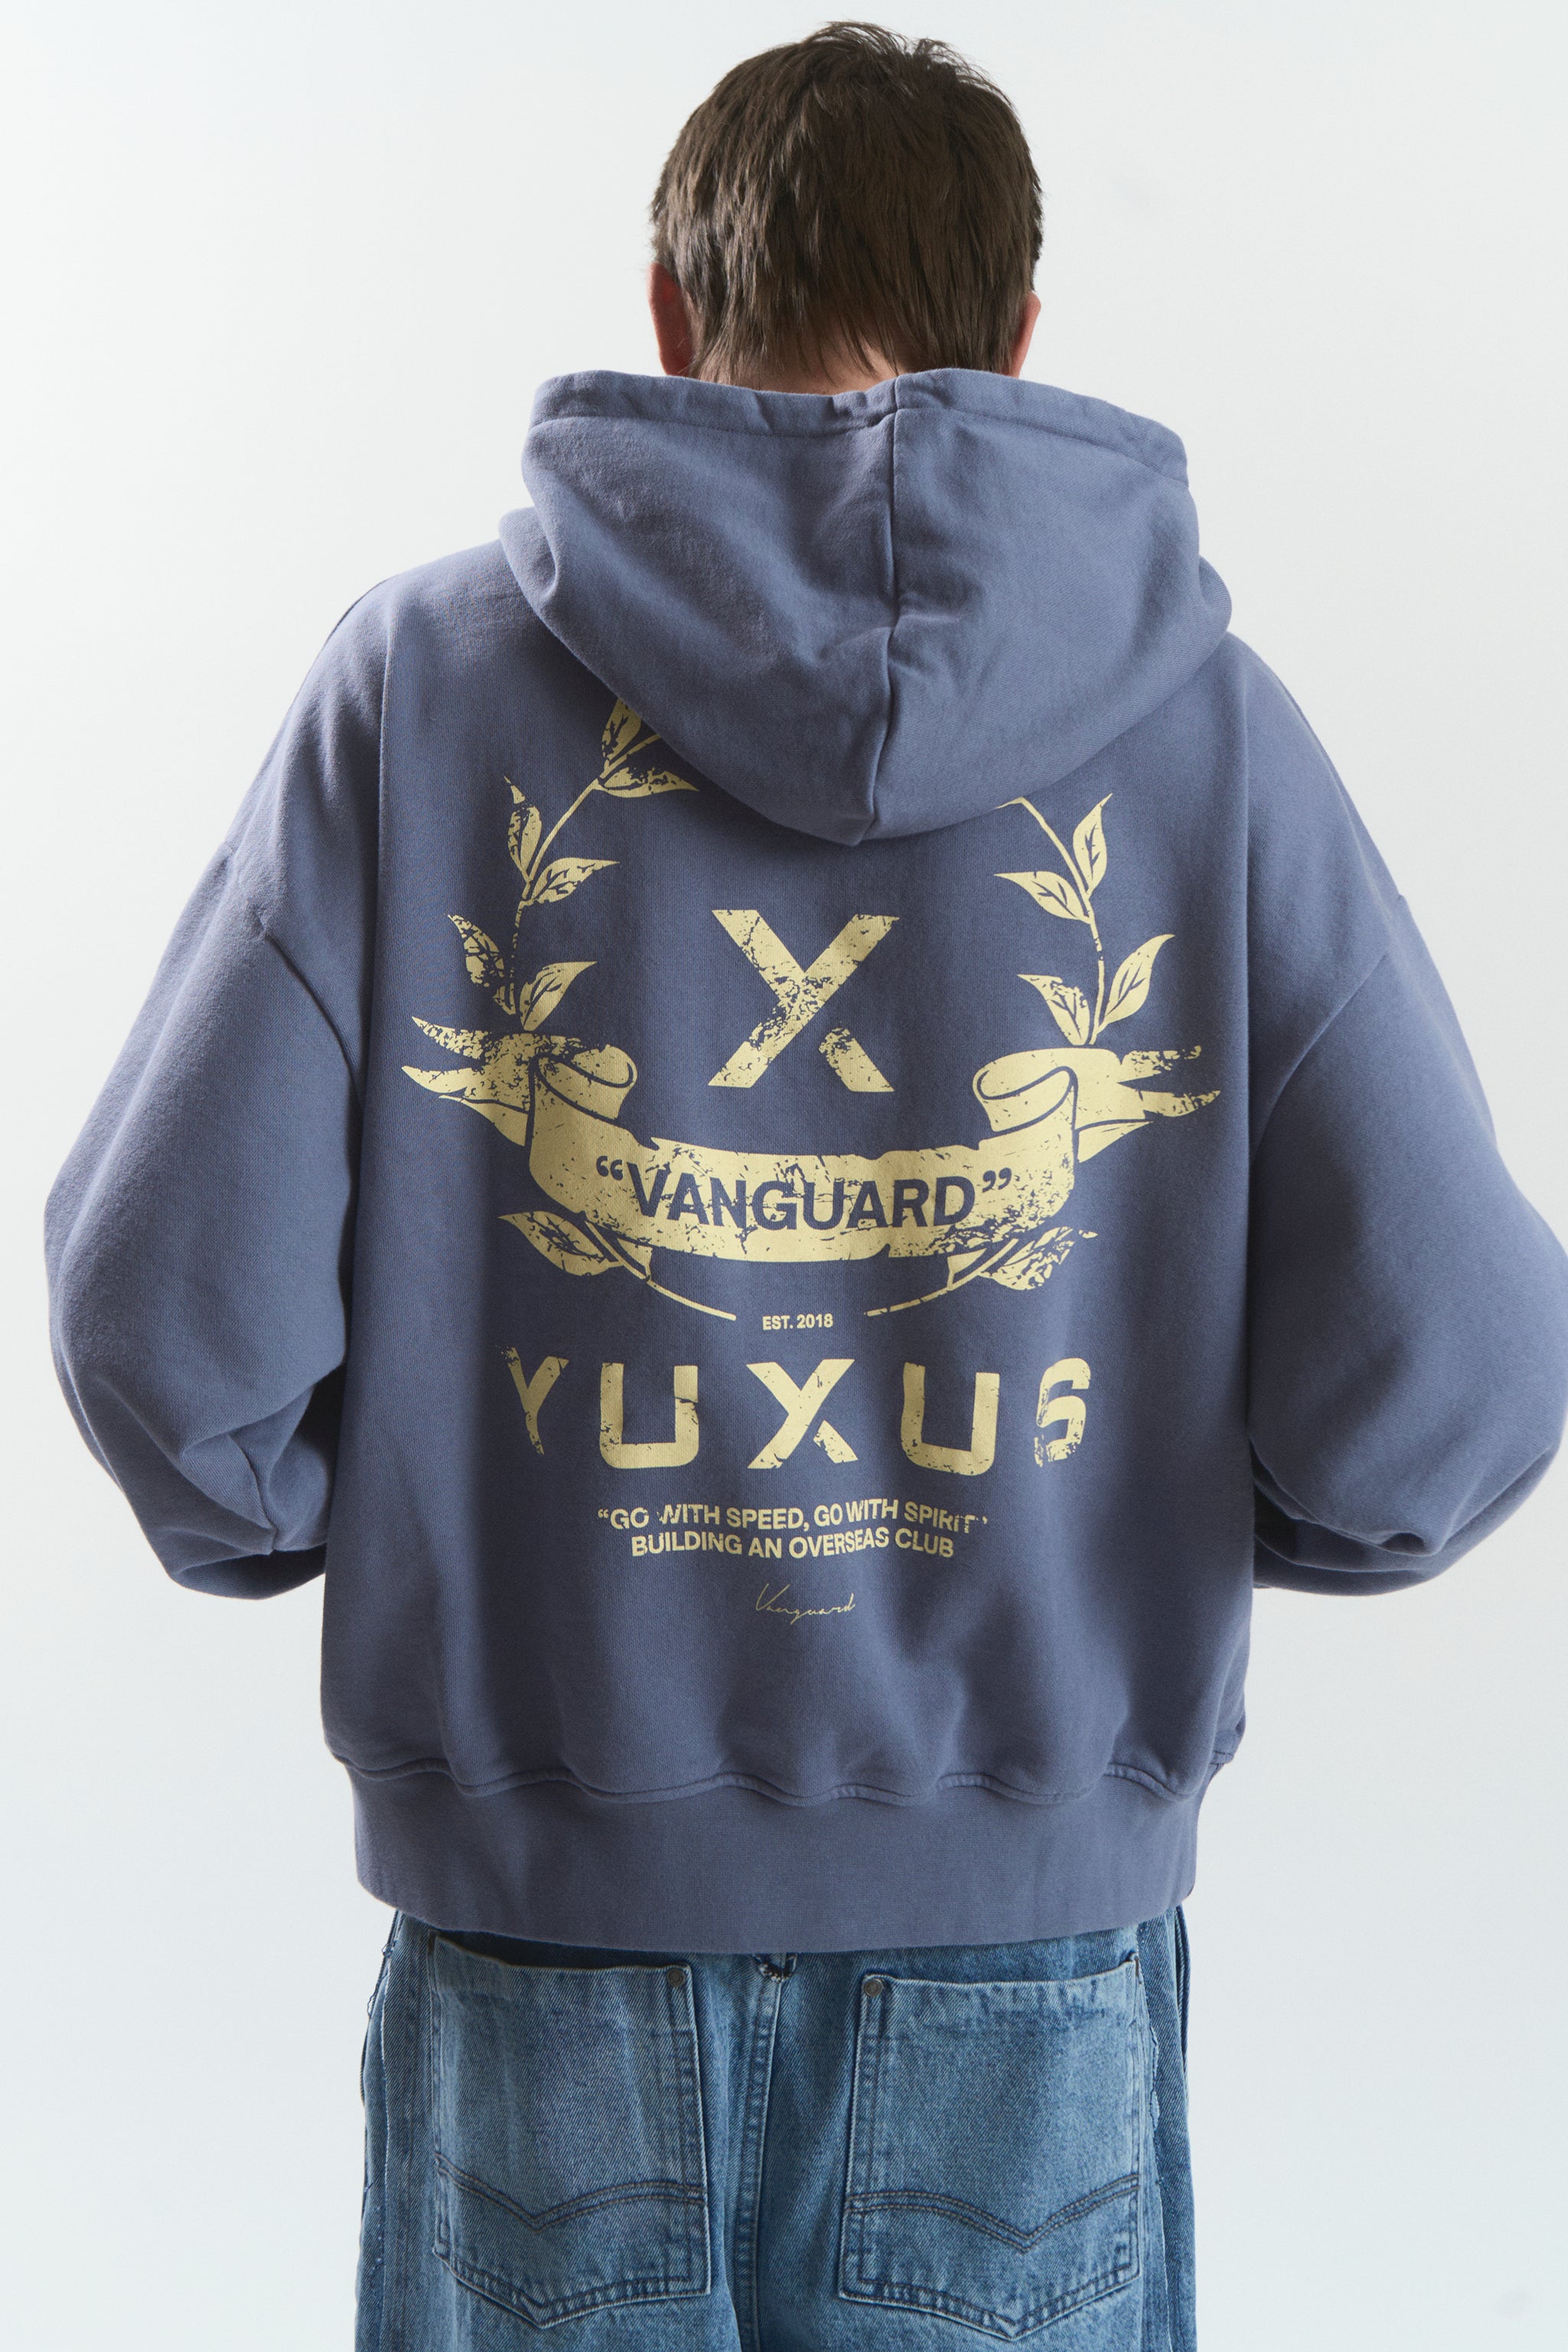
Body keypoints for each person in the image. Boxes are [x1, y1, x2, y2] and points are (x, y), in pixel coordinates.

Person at [44, 22, 1568, 2350]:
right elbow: (1449, 1388)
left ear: (671, 312)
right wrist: (1124, 1499)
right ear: (1021, 339)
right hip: (1024, 1972)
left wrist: (363, 1491)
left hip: (546, 1940)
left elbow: (170, 1331)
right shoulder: (1208, 738)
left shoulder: (418, 696)